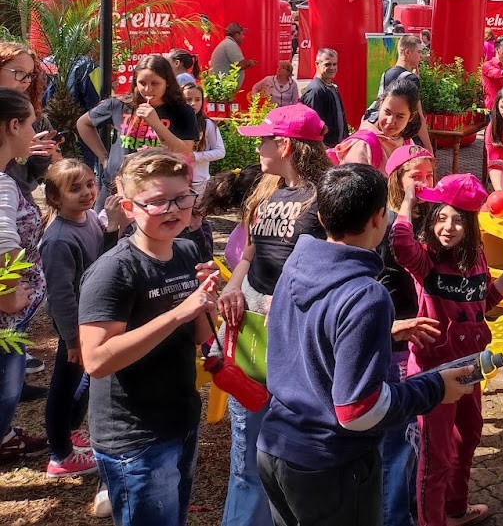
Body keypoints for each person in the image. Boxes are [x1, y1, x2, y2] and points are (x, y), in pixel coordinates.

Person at [256, 164, 472, 526]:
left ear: (322, 217)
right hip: (331, 464)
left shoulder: (298, 262)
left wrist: (381, 333)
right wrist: (435, 388)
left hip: (277, 447)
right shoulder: (366, 295)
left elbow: (312, 334)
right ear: (379, 218)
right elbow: (358, 411)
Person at [79, 149, 220, 526]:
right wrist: (178, 313)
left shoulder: (188, 249)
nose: (173, 210)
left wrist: (211, 299)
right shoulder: (113, 272)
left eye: (181, 198)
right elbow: (96, 360)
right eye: (157, 201)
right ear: (129, 207)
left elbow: (201, 334)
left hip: (181, 417)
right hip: (133, 435)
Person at [216, 104, 332, 526]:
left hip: (293, 330)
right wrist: (233, 287)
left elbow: (329, 265)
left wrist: (279, 305)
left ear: (284, 144)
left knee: (281, 438)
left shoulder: (323, 196)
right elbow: (251, 250)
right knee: (246, 436)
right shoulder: (268, 189)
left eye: (264, 139)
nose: (259, 147)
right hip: (254, 327)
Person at [391, 174, 503, 526]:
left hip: (471, 365)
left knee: (469, 435)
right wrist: (409, 202)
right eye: (441, 217)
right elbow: (400, 244)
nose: (449, 227)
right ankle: (432, 521)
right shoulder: (425, 260)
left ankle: (456, 509)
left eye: (458, 220)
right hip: (432, 372)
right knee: (435, 456)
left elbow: (486, 300)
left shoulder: (474, 258)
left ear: (471, 225)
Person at [380, 144, 437, 526]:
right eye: (416, 175)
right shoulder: (386, 222)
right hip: (400, 339)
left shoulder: (429, 218)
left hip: (424, 336)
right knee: (398, 438)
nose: (424, 183)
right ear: (397, 179)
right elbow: (384, 284)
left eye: (429, 176)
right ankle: (394, 516)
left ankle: (410, 506)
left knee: (416, 435)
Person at [38, 158, 103, 476]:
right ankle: (60, 455)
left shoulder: (89, 217)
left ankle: (72, 427)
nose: (88, 192)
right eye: (75, 189)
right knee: (65, 384)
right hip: (74, 324)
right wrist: (72, 339)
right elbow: (60, 296)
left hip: (89, 319)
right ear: (55, 198)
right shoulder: (59, 239)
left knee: (84, 378)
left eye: (90, 184)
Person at [78, 54, 199, 201]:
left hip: (157, 187)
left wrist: (156, 124)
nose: (148, 89)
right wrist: (104, 157)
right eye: (142, 83)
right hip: (116, 185)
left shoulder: (182, 111)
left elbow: (185, 151)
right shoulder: (120, 105)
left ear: (167, 82)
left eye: (155, 83)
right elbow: (83, 123)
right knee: (105, 223)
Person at [0, 90, 47, 462]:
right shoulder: (1, 184)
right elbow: (5, 246)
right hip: (5, 320)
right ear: (13, 125)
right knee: (5, 383)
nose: (35, 130)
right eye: (31, 123)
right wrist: (8, 295)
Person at [0, 41, 59, 202]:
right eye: (19, 72)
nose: (26, 81)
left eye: (30, 74)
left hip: (23, 202)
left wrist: (42, 156)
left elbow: (32, 175)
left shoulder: (34, 117)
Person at [336, 78, 428, 168]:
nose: (390, 121)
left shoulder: (407, 143)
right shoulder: (363, 146)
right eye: (387, 113)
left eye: (399, 116)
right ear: (380, 104)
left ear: (411, 116)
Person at [181, 83, 225, 193]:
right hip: (178, 180)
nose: (193, 104)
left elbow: (220, 151)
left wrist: (196, 156)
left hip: (199, 183)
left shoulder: (207, 124)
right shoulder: (175, 123)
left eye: (197, 99)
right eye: (188, 99)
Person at [300, 48, 346, 147]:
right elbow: (313, 127)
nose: (332, 68)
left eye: (334, 64)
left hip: (336, 148)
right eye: (327, 64)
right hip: (325, 151)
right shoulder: (315, 91)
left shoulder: (331, 87)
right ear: (317, 64)